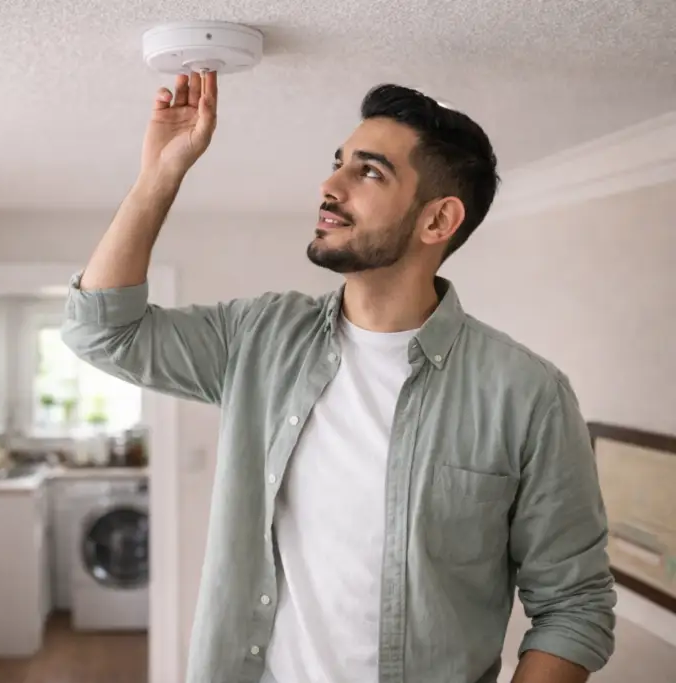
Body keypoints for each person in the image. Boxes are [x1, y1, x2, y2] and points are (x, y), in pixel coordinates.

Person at [60, 72, 616, 683]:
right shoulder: (260, 337)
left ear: (438, 221)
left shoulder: (527, 395)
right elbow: (103, 332)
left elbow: (573, 607)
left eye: (369, 172)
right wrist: (160, 174)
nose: (329, 186)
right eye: (339, 164)